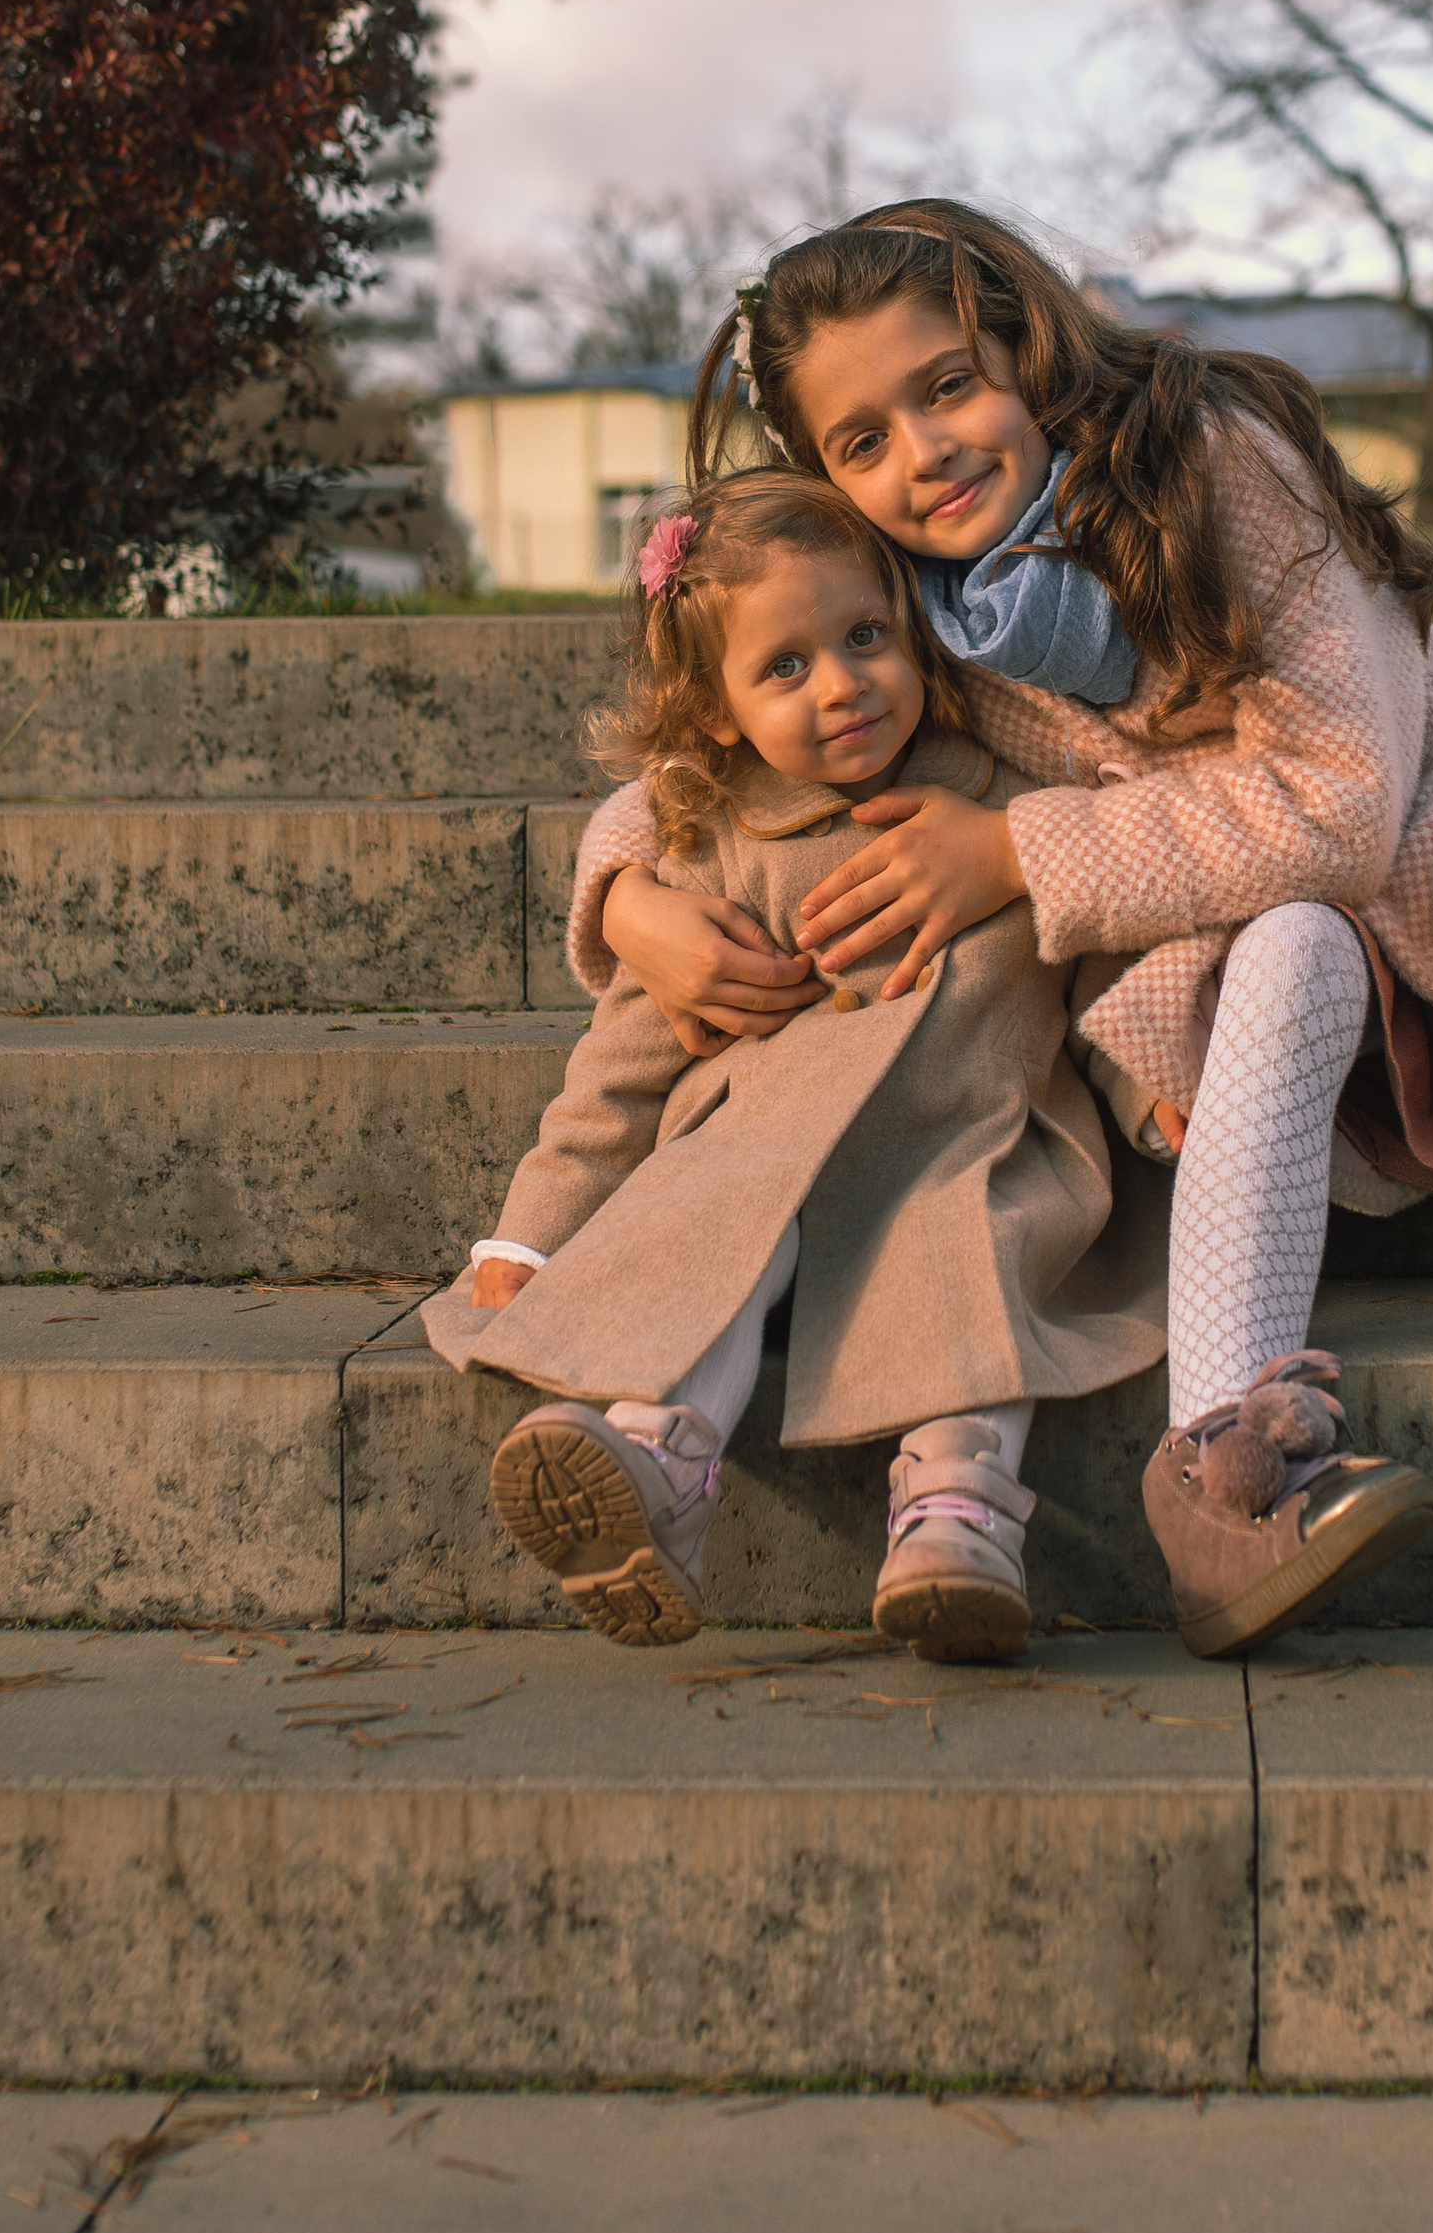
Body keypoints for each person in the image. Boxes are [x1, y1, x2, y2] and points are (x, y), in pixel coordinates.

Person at [565, 201, 1433, 1658]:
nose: (923, 451)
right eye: (862, 440)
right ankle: (1228, 1468)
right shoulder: (902, 603)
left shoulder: (1209, 461)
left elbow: (1345, 803)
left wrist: (1014, 848)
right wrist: (627, 890)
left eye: (948, 385)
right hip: (1255, 933)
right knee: (1292, 946)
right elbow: (719, 741)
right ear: (821, 475)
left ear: (1028, 346)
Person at [421, 464, 1179, 1661]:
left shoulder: (1007, 813)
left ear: (914, 634)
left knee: (972, 1249)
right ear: (717, 711)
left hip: (966, 1136)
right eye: (784, 667)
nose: (842, 683)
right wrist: (527, 1237)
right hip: (759, 1150)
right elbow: (617, 1074)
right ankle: (659, 1457)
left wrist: (1153, 1089)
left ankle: (957, 1515)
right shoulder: (712, 849)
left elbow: (1096, 974)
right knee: (720, 1219)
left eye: (865, 636)